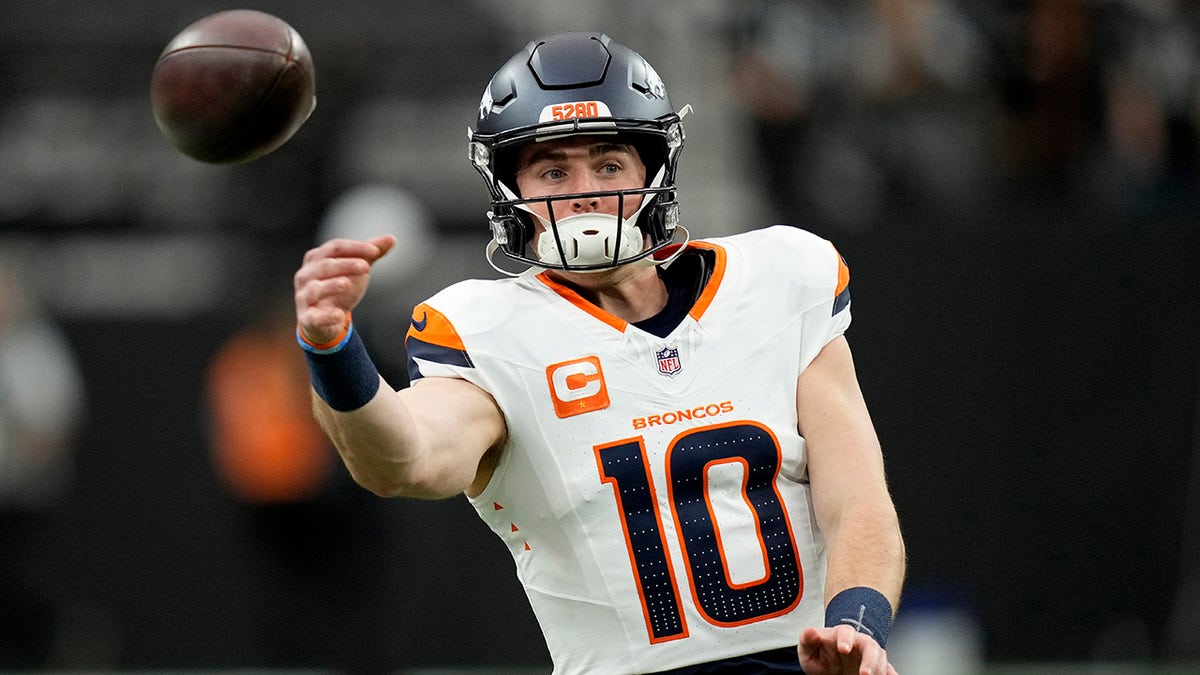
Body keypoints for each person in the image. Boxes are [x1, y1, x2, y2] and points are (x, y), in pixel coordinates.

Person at [293, 31, 905, 674]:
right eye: (553, 170)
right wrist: (333, 347)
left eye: (608, 164)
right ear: (511, 190)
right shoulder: (490, 329)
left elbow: (858, 499)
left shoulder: (781, 279)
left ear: (652, 171)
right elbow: (405, 460)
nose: (583, 190)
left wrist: (857, 624)